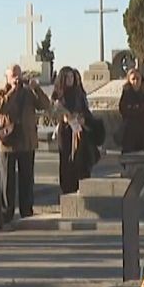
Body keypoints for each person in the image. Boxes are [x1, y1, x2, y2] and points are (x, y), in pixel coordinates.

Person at [0, 64, 50, 223]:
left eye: (19, 75)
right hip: (8, 142)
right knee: (7, 180)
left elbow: (45, 105)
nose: (17, 78)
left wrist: (36, 89)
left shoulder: (29, 93)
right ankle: (6, 213)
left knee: (27, 178)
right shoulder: (1, 93)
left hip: (26, 141)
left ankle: (26, 210)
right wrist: (13, 90)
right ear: (7, 78)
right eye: (13, 76)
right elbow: (0, 108)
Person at [53, 66, 95, 195]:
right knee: (66, 160)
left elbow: (85, 110)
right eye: (67, 77)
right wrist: (63, 116)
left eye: (72, 77)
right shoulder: (58, 94)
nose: (70, 79)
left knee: (79, 158)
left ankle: (80, 186)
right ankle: (67, 188)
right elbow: (52, 111)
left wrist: (83, 118)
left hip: (78, 130)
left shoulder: (78, 93)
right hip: (65, 131)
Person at [119, 68, 144, 153]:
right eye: (133, 79)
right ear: (129, 80)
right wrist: (136, 108)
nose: (136, 81)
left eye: (138, 79)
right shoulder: (126, 94)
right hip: (130, 133)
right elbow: (123, 110)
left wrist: (133, 108)